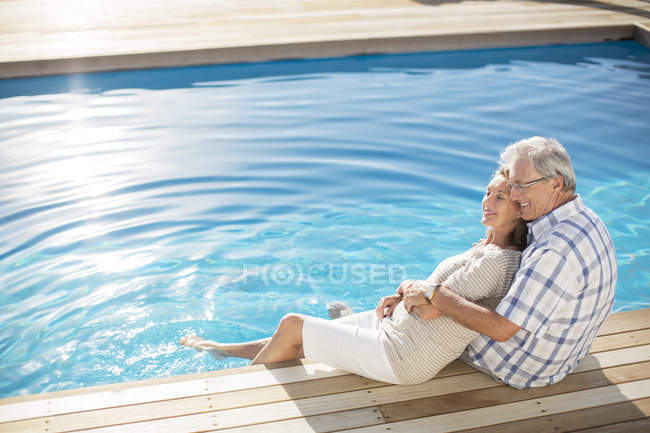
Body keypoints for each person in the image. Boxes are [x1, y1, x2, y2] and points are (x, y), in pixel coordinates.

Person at [181, 169, 527, 385]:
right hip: (396, 332)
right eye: (487, 192)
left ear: (519, 210)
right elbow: (428, 296)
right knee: (299, 338)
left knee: (293, 325)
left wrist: (412, 290)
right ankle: (221, 351)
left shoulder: (496, 262)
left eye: (500, 198)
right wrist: (407, 292)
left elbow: (429, 308)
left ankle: (242, 391)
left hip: (402, 356)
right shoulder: (482, 247)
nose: (488, 201)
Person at [401, 136, 618, 388]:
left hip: (521, 366)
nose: (515, 195)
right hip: (567, 356)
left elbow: (501, 329)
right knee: (462, 288)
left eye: (523, 186)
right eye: (513, 185)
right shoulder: (585, 218)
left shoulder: (554, 252)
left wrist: (431, 294)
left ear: (556, 184)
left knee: (432, 308)